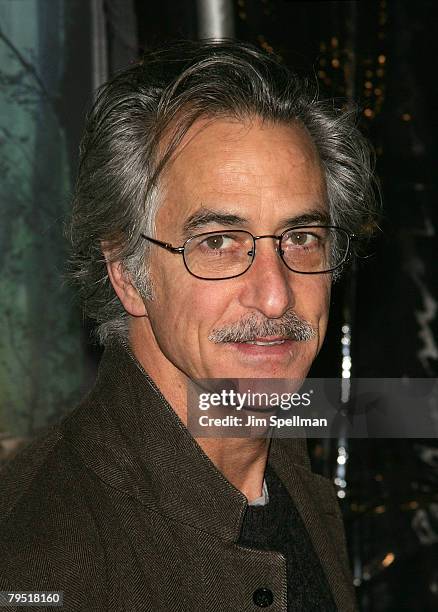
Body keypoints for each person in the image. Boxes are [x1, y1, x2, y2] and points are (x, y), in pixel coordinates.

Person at [0, 40, 376, 611]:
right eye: (219, 242)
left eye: (302, 237)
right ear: (127, 272)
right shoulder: (44, 555)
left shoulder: (289, 474)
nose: (276, 297)